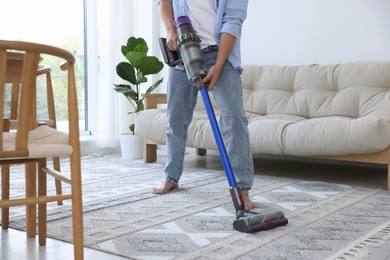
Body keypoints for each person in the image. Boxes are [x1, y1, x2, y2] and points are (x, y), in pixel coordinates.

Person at [154, 0, 255, 210]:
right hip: (183, 49)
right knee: (176, 118)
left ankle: (242, 189)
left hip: (219, 53)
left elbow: (232, 21)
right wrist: (171, 28)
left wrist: (218, 65)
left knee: (234, 118)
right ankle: (171, 176)